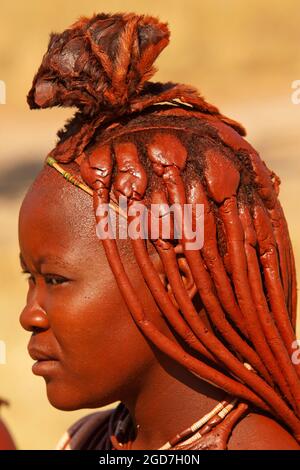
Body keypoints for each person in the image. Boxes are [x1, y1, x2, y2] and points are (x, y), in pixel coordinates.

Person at [18, 12, 300, 450]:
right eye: (29, 279)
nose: (30, 315)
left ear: (178, 278)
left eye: (55, 279)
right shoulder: (91, 439)